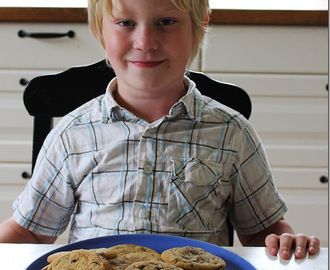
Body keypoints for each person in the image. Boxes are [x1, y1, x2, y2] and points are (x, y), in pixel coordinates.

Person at [0, 0, 319, 261]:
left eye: (165, 22)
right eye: (126, 23)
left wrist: (285, 242)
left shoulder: (232, 133)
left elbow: (261, 231)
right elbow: (30, 232)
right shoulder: (72, 135)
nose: (145, 43)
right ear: (100, 30)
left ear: (200, 26)